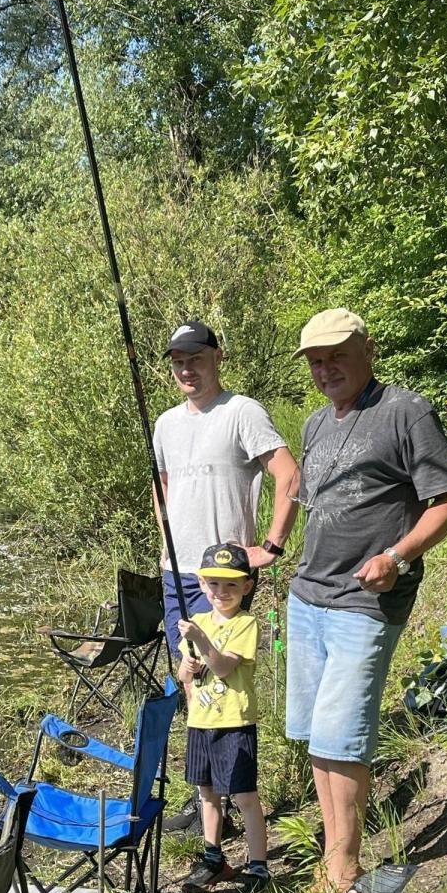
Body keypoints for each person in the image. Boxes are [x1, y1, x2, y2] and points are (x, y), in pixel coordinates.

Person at [286, 308, 447, 893]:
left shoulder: (404, 411)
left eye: (337, 355)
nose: (326, 368)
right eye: (316, 360)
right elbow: (315, 502)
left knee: (345, 737)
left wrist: (398, 557)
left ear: (367, 349)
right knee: (318, 738)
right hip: (308, 598)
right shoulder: (316, 424)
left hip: (365, 602)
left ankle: (346, 867)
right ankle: (334, 855)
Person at [152, 320, 298, 833]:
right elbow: (163, 484)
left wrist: (272, 547)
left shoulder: (242, 412)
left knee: (224, 676)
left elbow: (288, 473)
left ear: (217, 358)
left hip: (225, 576)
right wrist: (166, 539)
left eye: (195, 357)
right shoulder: (166, 424)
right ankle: (206, 797)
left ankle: (235, 795)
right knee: (189, 674)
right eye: (177, 361)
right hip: (178, 572)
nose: (186, 368)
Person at [176, 543, 269, 893]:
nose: (221, 592)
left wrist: (201, 641)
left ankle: (258, 865)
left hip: (234, 723)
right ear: (202, 584)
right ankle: (214, 857)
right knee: (207, 794)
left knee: (244, 795)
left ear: (247, 586)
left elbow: (224, 667)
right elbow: (187, 676)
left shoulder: (246, 623)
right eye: (214, 584)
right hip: (200, 723)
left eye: (231, 585)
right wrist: (186, 668)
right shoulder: (197, 621)